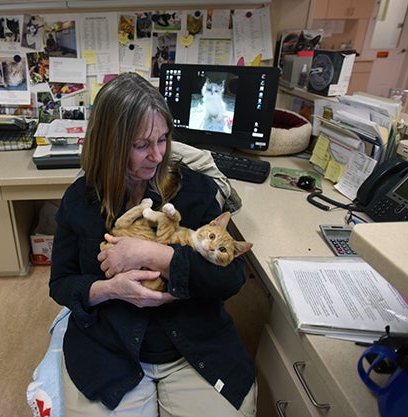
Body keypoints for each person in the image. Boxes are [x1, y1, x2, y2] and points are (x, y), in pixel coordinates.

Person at [49, 72, 257, 417]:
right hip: (110, 348)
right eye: (142, 145)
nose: (158, 155)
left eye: (163, 139)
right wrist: (109, 289)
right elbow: (61, 284)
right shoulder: (79, 200)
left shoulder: (195, 191)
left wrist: (158, 256)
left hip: (193, 347)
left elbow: (231, 278)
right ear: (109, 145)